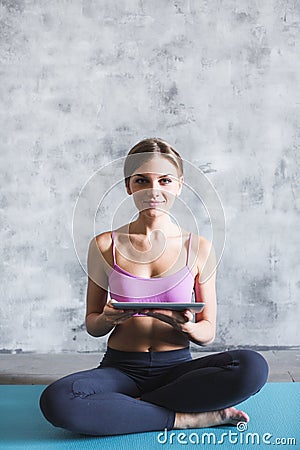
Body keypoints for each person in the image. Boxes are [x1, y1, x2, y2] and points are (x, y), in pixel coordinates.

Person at [40, 138, 269, 436]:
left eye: (164, 180)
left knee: (253, 367)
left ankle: (125, 409)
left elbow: (208, 332)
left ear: (179, 185)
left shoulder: (198, 247)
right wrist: (108, 318)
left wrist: (187, 328)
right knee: (56, 401)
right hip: (121, 369)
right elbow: (93, 325)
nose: (154, 190)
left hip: (178, 371)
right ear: (128, 186)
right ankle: (185, 418)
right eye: (142, 181)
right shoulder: (104, 245)